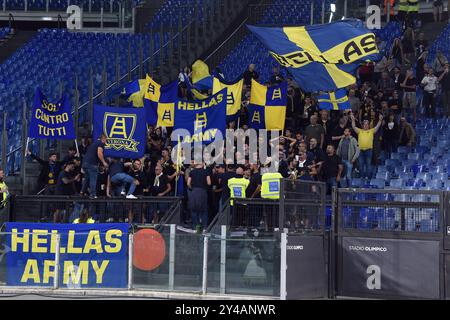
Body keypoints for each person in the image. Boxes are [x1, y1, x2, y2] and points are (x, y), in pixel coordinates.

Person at [350, 113, 383, 180]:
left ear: (368, 125)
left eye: (367, 124)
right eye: (364, 124)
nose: (365, 125)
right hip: (360, 151)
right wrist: (353, 120)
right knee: (361, 165)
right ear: (362, 125)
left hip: (369, 150)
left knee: (368, 165)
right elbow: (353, 127)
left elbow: (377, 127)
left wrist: (380, 120)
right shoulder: (360, 131)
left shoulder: (371, 131)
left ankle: (367, 177)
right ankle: (362, 177)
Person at [81, 134, 108, 198]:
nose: (106, 141)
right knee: (93, 179)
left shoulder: (93, 144)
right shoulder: (100, 143)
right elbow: (99, 153)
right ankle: (93, 194)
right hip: (92, 164)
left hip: (85, 163)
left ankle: (82, 191)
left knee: (87, 178)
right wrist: (104, 162)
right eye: (106, 140)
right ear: (103, 139)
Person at [187, 163, 211, 231]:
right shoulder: (206, 171)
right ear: (202, 164)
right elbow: (209, 182)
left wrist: (192, 188)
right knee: (204, 210)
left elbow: (188, 183)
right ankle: (204, 227)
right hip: (203, 191)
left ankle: (195, 227)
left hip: (194, 191)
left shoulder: (192, 172)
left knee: (194, 209)